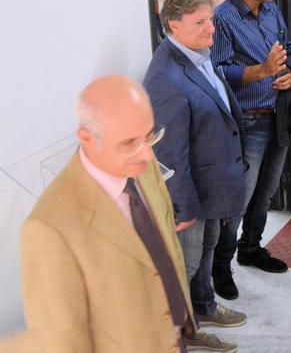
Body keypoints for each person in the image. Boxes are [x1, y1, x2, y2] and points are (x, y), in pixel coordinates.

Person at [4, 76, 229, 352]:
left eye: (150, 136)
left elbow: (166, 247)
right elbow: (61, 340)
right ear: (87, 138)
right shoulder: (48, 227)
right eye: (129, 143)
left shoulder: (141, 166)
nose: (147, 155)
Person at [143, 0, 247, 346]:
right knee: (184, 267)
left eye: (211, 20)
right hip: (191, 198)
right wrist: (182, 208)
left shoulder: (197, 55)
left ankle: (203, 306)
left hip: (211, 187)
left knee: (206, 251)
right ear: (174, 24)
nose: (211, 29)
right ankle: (176, 337)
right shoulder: (165, 78)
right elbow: (169, 155)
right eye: (200, 22)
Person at [211, 0, 291, 297]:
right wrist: (260, 71)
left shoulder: (272, 10)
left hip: (279, 114)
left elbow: (289, 47)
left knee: (266, 191)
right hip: (248, 121)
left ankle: (250, 248)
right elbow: (218, 71)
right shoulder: (222, 18)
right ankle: (221, 265)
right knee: (240, 198)